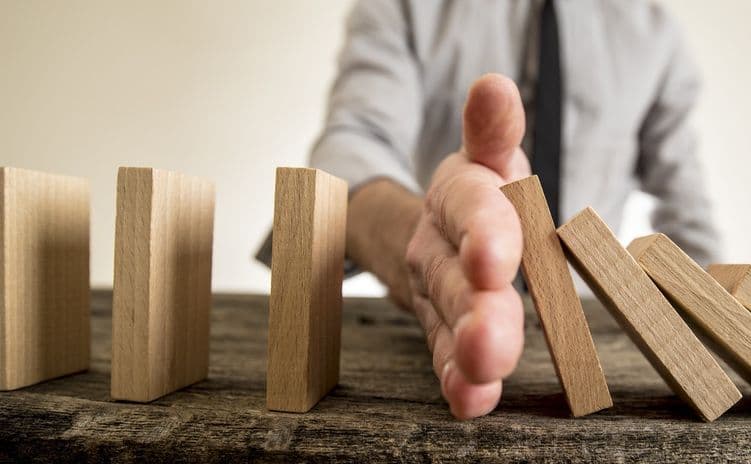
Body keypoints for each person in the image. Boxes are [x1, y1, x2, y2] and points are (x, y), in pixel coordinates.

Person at [258, 0, 721, 420]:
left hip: (591, 340)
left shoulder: (654, 29)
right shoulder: (405, 6)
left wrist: (717, 338)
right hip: (437, 322)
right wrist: (422, 237)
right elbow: (353, 143)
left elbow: (688, 214)